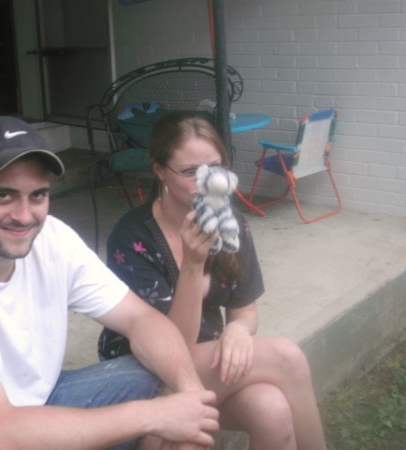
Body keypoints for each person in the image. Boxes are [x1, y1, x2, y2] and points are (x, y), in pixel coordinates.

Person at [0, 116, 221, 450]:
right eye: (4, 195)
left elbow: (140, 319)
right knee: (154, 410)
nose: (24, 216)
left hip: (38, 403)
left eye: (37, 195)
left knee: (161, 372)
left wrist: (189, 396)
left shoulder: (53, 240)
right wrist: (153, 417)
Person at [98, 111, 328, 450]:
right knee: (286, 357)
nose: (205, 181)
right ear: (159, 170)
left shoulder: (229, 223)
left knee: (272, 410)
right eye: (191, 172)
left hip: (205, 363)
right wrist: (193, 266)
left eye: (215, 168)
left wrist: (238, 330)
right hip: (146, 368)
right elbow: (171, 347)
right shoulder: (133, 237)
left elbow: (245, 309)